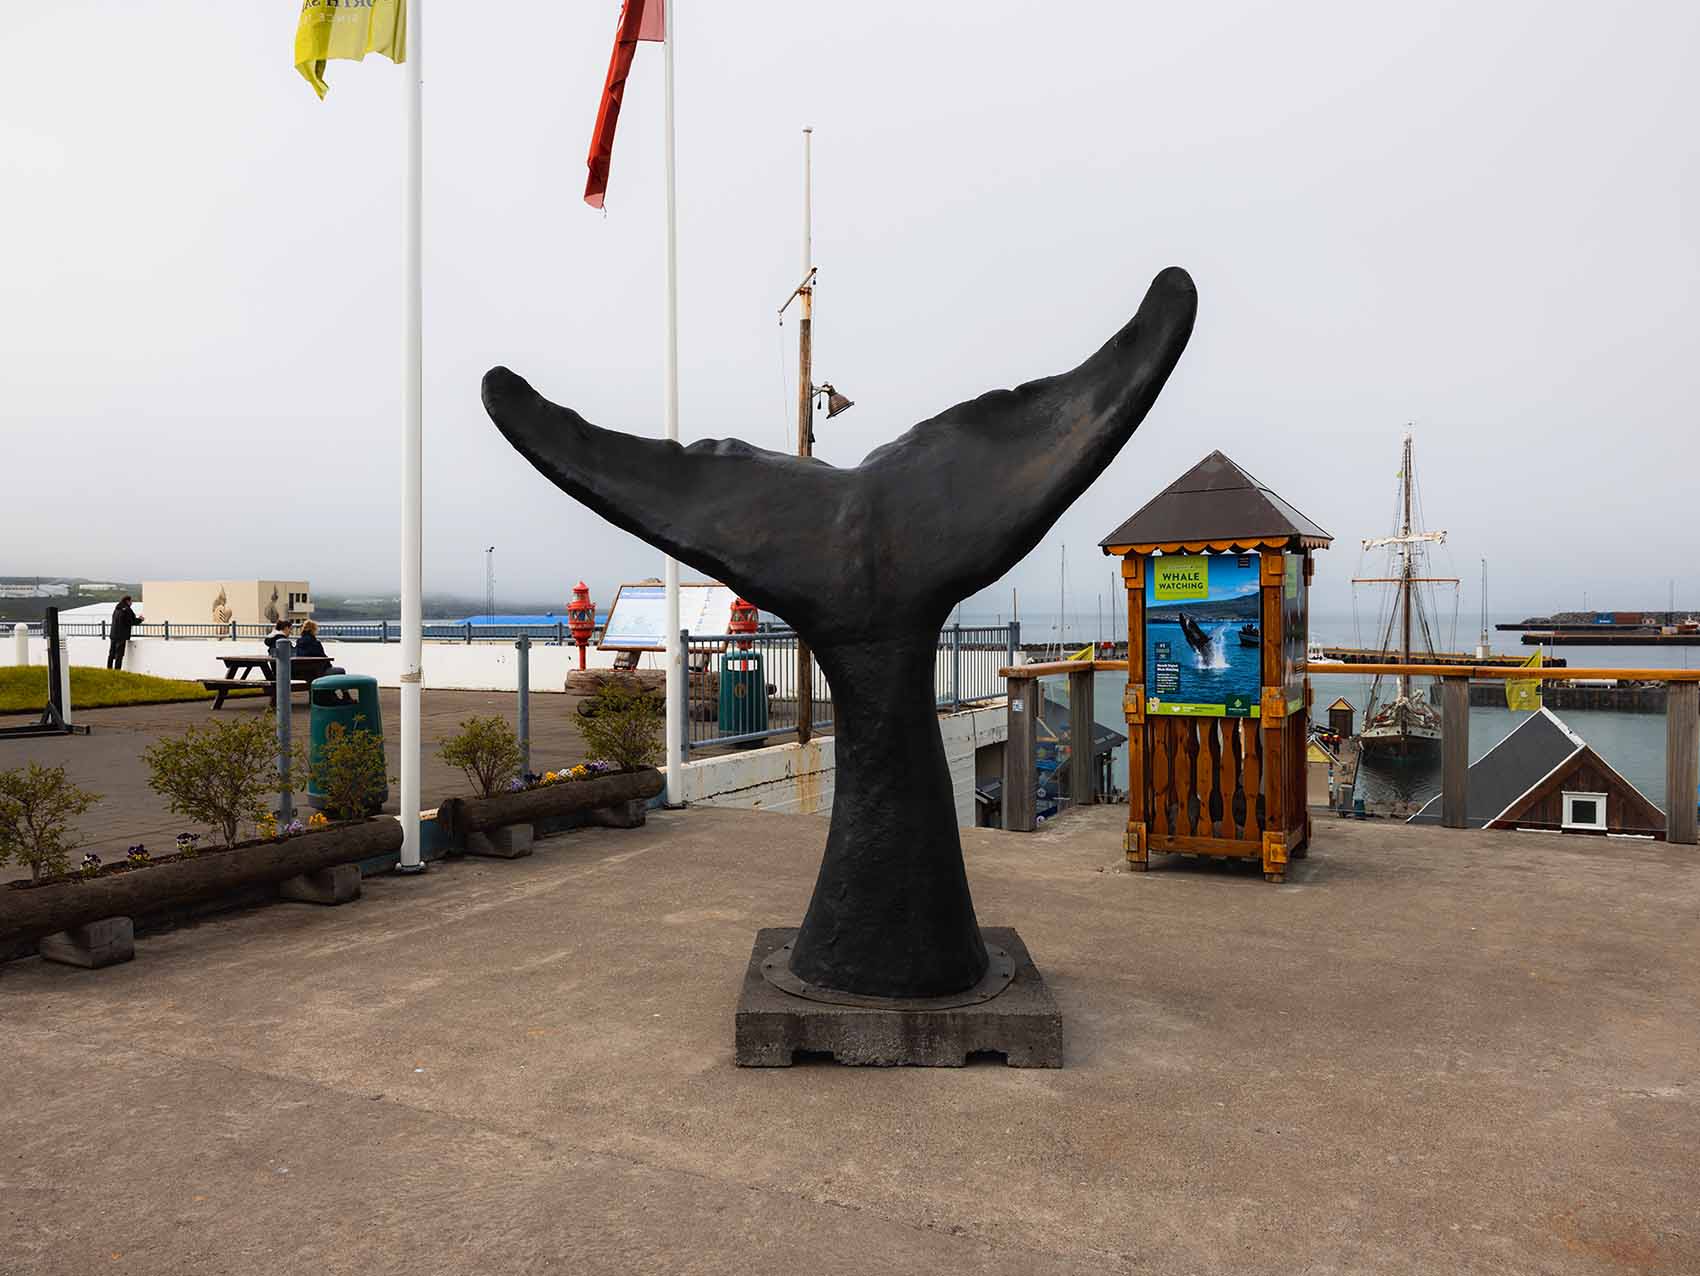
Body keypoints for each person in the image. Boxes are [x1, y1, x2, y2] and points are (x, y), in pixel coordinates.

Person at [107, 596, 142, 670]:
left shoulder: (117, 609)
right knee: (119, 654)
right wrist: (140, 619)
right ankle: (117, 670)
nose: (132, 603)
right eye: (131, 601)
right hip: (121, 635)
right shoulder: (127, 610)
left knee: (112, 653)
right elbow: (131, 621)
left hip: (113, 634)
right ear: (127, 601)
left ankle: (109, 669)